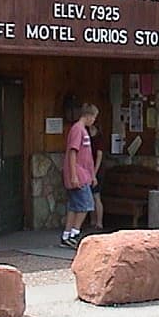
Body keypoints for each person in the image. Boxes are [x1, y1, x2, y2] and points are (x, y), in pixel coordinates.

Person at [61, 103, 98, 248]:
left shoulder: (84, 130)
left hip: (85, 173)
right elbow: (72, 152)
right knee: (86, 204)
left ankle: (66, 234)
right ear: (88, 116)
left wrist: (92, 175)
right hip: (78, 174)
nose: (94, 120)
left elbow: (87, 156)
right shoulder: (77, 130)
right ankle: (74, 234)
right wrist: (74, 175)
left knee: (74, 206)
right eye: (94, 117)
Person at [87, 122, 105, 231]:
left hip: (97, 170)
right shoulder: (87, 137)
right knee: (90, 196)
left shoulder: (99, 139)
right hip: (87, 169)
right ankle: (92, 220)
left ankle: (99, 222)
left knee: (96, 196)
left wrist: (94, 173)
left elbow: (99, 156)